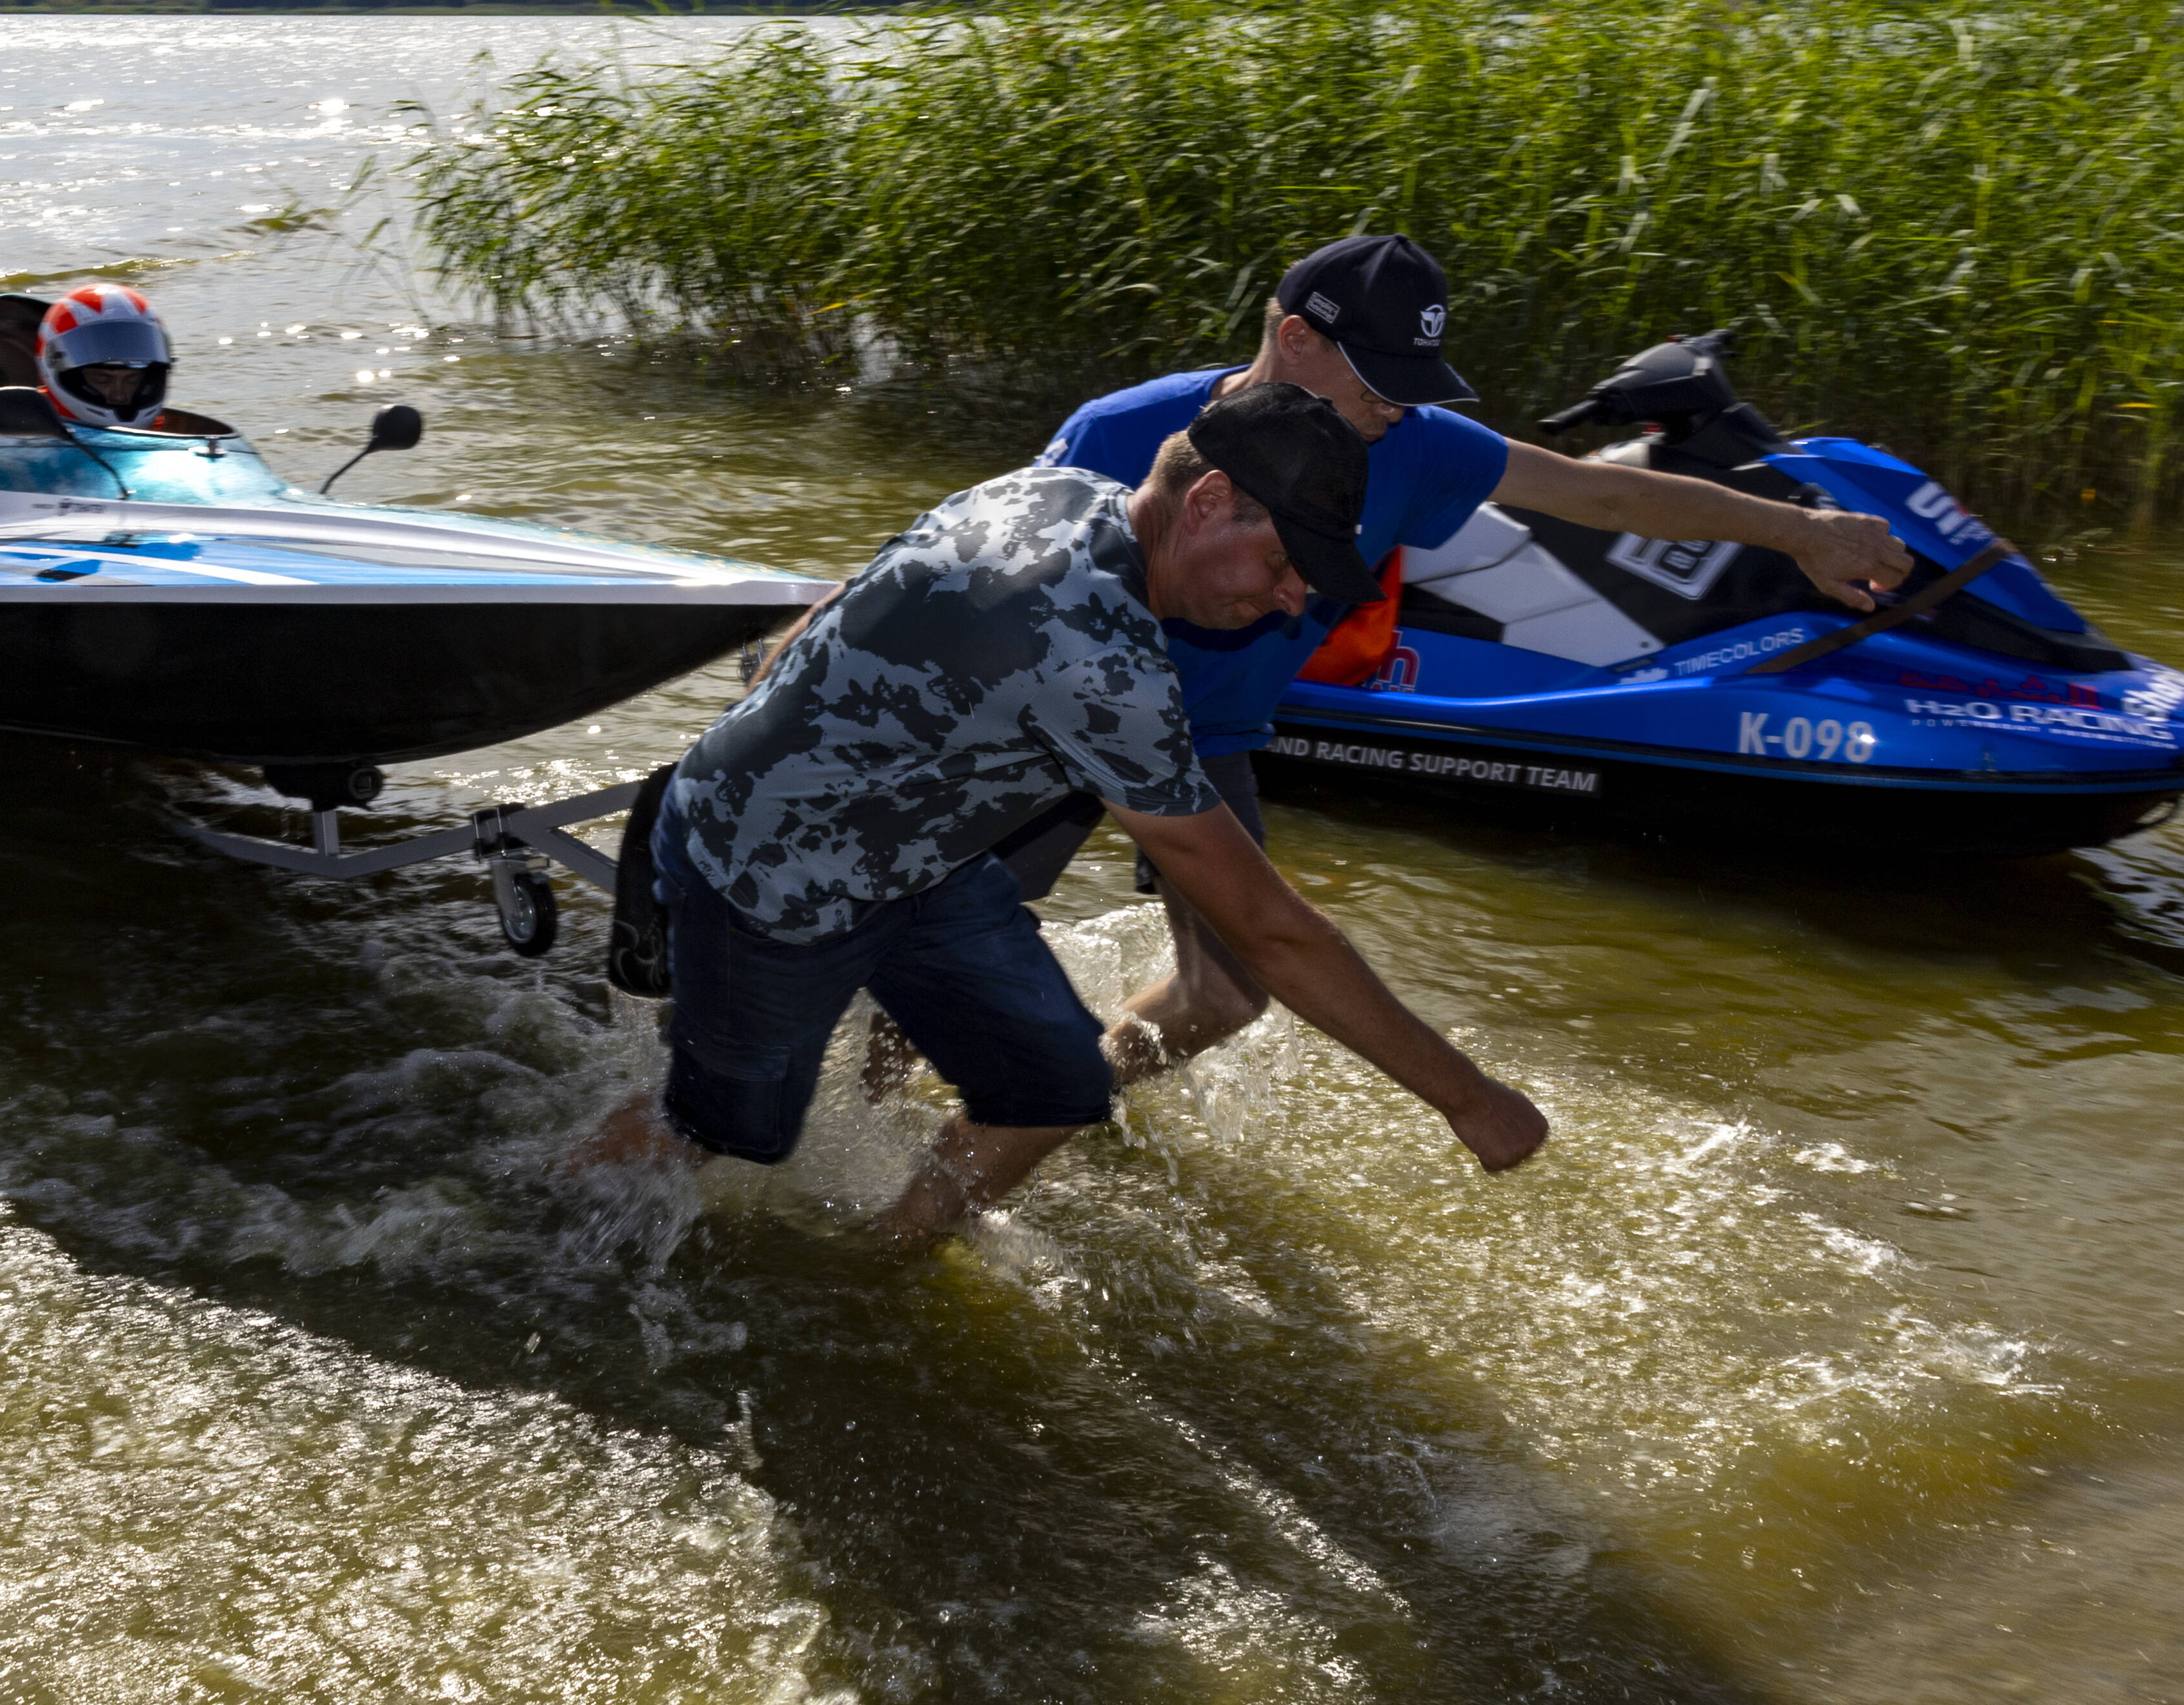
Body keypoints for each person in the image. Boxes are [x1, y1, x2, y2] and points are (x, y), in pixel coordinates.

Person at [574, 381, 1549, 1248]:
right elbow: (1269, 929)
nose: (1293, 600)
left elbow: (833, 608)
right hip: (764, 879)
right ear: (1208, 502)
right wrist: (1467, 1097)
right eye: (1283, 562)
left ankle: (876, 1266)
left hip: (918, 859)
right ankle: (546, 1225)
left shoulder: (1055, 490)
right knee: (721, 1128)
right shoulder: (1096, 659)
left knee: (1054, 1089)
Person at [1037, 232, 1915, 1079]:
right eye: (1377, 381)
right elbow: (999, 581)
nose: (1393, 406)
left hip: (1206, 738)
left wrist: (1801, 530)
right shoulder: (1118, 431)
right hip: (1050, 714)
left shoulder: (1413, 446)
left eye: (1410, 385)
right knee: (971, 929)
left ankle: (1065, 1103)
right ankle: (970, 1092)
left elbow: (1602, 495)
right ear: (1295, 339)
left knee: (1228, 993)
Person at [37, 284, 176, 430]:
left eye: (133, 381)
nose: (119, 396)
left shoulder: (169, 434)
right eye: (102, 380)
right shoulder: (27, 429)